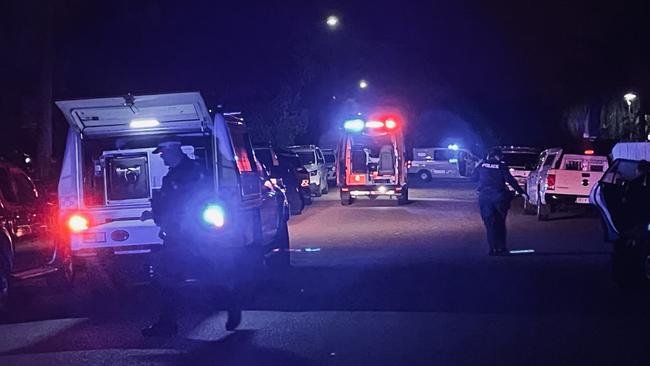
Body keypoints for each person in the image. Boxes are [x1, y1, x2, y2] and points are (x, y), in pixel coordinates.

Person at [141, 139, 242, 337]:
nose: (162, 158)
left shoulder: (194, 172)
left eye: (163, 154)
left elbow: (192, 203)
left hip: (192, 236)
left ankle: (230, 304)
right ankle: (168, 324)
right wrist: (156, 216)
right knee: (169, 279)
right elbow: (170, 204)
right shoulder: (174, 175)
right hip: (178, 235)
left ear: (173, 151)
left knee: (201, 275)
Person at [471, 148, 528, 256]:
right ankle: (501, 248)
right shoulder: (501, 166)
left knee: (489, 224)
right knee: (500, 222)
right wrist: (522, 192)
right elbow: (510, 180)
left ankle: (493, 248)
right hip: (500, 198)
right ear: (498, 156)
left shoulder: (482, 165)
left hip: (485, 198)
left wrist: (476, 167)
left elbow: (473, 179)